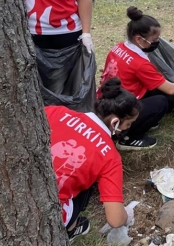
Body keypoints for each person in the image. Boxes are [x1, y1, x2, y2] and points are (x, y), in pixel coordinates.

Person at [98, 7, 174, 150]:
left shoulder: (118, 48)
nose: (157, 42)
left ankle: (144, 120)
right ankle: (128, 137)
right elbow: (170, 89)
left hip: (106, 101)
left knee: (156, 92)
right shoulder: (140, 63)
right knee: (161, 102)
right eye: (154, 40)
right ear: (139, 39)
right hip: (118, 114)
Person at [47, 78, 139, 241]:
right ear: (115, 122)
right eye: (128, 125)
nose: (126, 130)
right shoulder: (110, 156)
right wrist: (126, 215)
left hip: (18, 184)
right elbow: (115, 220)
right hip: (50, 213)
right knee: (87, 183)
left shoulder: (57, 112)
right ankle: (70, 229)